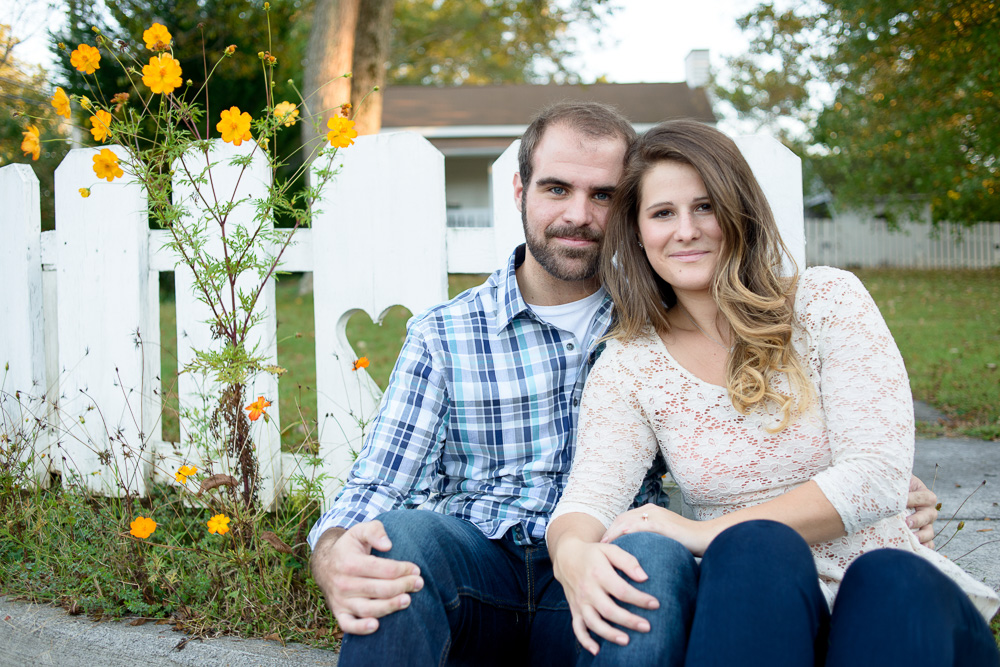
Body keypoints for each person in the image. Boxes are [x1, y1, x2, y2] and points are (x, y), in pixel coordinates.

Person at [308, 104, 941, 666]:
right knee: (399, 536)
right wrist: (333, 553)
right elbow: (377, 482)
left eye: (604, 196)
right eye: (557, 189)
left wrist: (877, 480)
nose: (578, 216)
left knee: (654, 555)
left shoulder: (661, 324)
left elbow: (823, 456)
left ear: (626, 214)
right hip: (483, 565)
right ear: (520, 189)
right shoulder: (451, 334)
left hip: (623, 571)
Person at [545, 119, 1000, 667]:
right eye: (663, 213)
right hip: (754, 605)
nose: (686, 230)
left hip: (895, 604)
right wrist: (570, 551)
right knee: (752, 551)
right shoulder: (630, 364)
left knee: (885, 573)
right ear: (637, 233)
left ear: (738, 212)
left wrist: (700, 532)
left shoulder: (826, 302)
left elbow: (876, 476)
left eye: (705, 206)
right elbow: (590, 498)